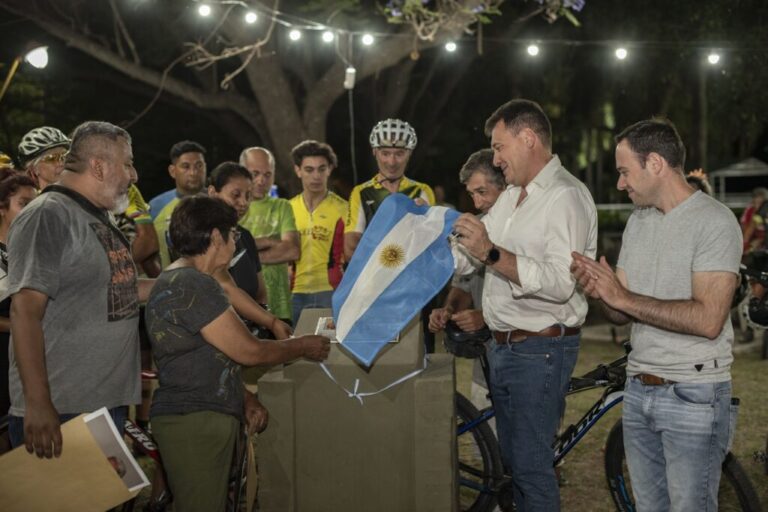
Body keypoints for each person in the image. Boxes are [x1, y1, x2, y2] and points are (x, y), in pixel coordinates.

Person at [571, 118, 741, 511]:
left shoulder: (714, 222)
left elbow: (707, 320)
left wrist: (623, 296)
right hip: (638, 389)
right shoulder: (639, 221)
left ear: (656, 164)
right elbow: (620, 313)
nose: (620, 183)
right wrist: (599, 290)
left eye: (624, 171)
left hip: (693, 394)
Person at [451, 99, 597, 511]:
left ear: (528, 138)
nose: (495, 160)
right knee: (515, 464)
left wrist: (491, 253)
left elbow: (559, 283)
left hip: (541, 349)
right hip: (507, 348)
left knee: (532, 469)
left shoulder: (565, 196)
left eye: (499, 147)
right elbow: (469, 252)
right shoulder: (514, 196)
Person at [145, 195, 329, 512]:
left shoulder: (182, 278)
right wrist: (303, 345)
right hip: (194, 421)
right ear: (216, 237)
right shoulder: (194, 285)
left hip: (195, 416)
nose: (235, 242)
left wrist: (245, 398)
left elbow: (205, 357)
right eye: (233, 235)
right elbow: (250, 351)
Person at [6, 120, 153, 457]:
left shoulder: (99, 216)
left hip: (105, 402)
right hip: (64, 409)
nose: (134, 176)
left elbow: (119, 289)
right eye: (128, 163)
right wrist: (39, 403)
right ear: (98, 166)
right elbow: (24, 310)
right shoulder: (48, 215)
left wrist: (187, 280)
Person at [428, 149, 505, 410]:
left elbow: (537, 288)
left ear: (504, 186)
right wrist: (449, 310)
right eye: (472, 194)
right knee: (487, 435)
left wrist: (485, 316)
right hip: (485, 357)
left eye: (482, 192)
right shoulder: (476, 227)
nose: (477, 203)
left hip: (521, 354)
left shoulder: (525, 228)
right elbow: (462, 284)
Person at [207, 161, 292, 339]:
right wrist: (271, 322)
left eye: (248, 195)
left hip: (252, 333)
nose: (243, 203)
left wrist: (262, 324)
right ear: (213, 192)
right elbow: (227, 289)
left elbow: (261, 294)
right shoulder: (201, 239)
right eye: (236, 195)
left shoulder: (245, 236)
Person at [344, 118, 435, 261]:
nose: (392, 162)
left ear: (409, 153)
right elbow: (350, 248)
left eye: (399, 154)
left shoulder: (422, 190)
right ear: (375, 152)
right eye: (385, 153)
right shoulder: (361, 192)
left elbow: (432, 241)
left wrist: (427, 221)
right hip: (374, 278)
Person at [288, 140, 348, 325]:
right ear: (298, 170)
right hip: (294, 292)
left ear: (329, 170)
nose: (316, 176)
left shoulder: (343, 208)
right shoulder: (288, 208)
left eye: (321, 169)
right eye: (309, 169)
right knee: (294, 352)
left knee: (330, 351)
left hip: (330, 291)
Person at [239, 147, 300, 324]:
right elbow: (227, 253)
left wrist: (246, 254)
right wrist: (270, 242)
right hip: (242, 306)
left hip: (279, 306)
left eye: (267, 174)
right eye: (255, 173)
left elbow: (292, 251)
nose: (261, 180)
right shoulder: (234, 206)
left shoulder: (282, 206)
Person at [0, 169, 37, 421]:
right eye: (23, 204)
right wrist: (24, 327)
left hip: (27, 355)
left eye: (35, 204)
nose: (31, 211)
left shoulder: (33, 249)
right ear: (2, 208)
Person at [149, 140, 207, 268]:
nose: (193, 172)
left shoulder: (219, 203)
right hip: (169, 284)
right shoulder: (155, 207)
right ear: (172, 171)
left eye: (199, 166)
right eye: (186, 167)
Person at [17, 126, 70, 190]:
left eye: (64, 156)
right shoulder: (30, 199)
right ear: (34, 169)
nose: (61, 163)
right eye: (51, 159)